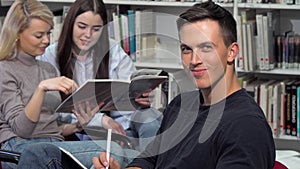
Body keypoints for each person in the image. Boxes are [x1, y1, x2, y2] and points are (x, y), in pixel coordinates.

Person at [15, 1, 275, 169]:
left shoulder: (245, 125)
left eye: (206, 48)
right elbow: (149, 160)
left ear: (231, 52)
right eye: (186, 49)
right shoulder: (181, 104)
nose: (194, 60)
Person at [0, 0, 123, 168]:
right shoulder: (4, 69)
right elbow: (23, 129)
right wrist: (41, 89)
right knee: (113, 151)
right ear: (17, 34)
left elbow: (52, 126)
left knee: (114, 157)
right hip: (22, 147)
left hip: (53, 144)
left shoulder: (47, 69)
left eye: (49, 33)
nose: (46, 40)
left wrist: (78, 125)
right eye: (39, 35)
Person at [37, 0, 162, 151]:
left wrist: (139, 98)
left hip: (123, 122)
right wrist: (100, 120)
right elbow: (57, 112)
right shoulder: (50, 55)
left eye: (96, 29)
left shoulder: (113, 49)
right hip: (82, 128)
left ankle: (148, 163)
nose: (88, 35)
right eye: (82, 27)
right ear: (70, 24)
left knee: (152, 119)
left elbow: (128, 89)